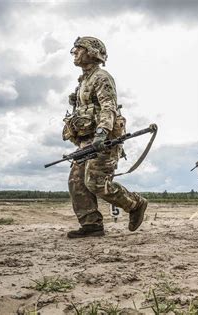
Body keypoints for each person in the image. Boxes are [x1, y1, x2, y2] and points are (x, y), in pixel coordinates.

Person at [63, 36, 148, 238]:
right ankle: (91, 224)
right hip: (86, 139)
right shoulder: (83, 80)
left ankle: (135, 204)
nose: (74, 52)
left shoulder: (102, 77)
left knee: (96, 182)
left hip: (103, 138)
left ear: (92, 52)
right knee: (76, 181)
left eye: (78, 48)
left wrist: (102, 134)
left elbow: (108, 107)